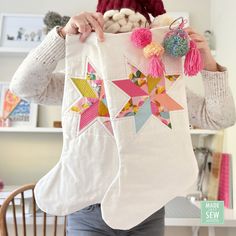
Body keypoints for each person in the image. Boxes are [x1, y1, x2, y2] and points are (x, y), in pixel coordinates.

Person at [9, 0, 236, 235]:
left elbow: (220, 118)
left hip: (146, 208)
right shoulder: (82, 81)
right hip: (87, 209)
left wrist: (207, 62)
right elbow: (24, 87)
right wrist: (62, 36)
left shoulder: (159, 87)